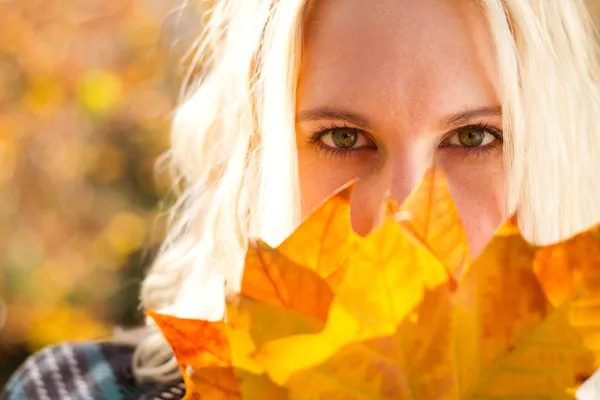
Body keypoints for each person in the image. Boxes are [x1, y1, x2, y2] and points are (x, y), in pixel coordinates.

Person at [4, 0, 600, 398]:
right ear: (262, 156)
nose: (406, 211)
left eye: (474, 137)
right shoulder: (74, 390)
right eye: (344, 138)